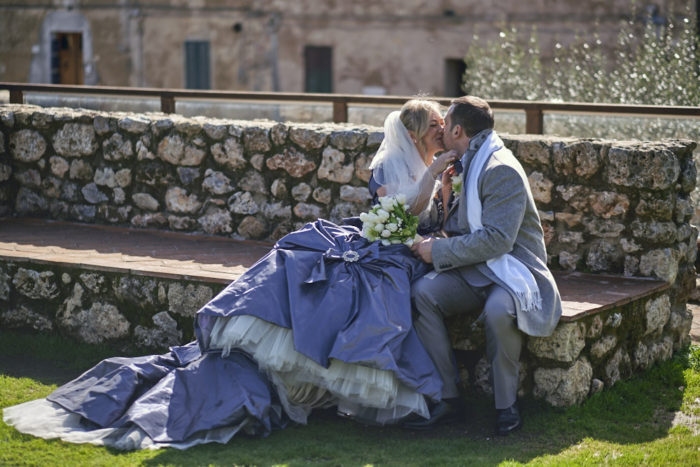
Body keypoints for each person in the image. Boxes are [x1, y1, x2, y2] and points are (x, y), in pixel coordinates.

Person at [2, 99, 456, 450]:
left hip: (410, 247)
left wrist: (444, 185)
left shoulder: (437, 166)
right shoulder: (392, 166)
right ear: (415, 133)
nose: (442, 131)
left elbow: (437, 218)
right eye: (435, 125)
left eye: (443, 125)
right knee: (323, 276)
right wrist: (433, 178)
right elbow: (402, 214)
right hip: (388, 242)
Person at [406, 96, 562, 435]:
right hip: (477, 267)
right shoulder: (465, 162)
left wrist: (440, 251)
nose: (442, 131)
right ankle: (449, 399)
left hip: (511, 270)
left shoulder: (498, 167)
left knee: (497, 312)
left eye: (445, 125)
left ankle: (506, 406)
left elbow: (498, 241)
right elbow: (462, 225)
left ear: (459, 130)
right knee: (422, 294)